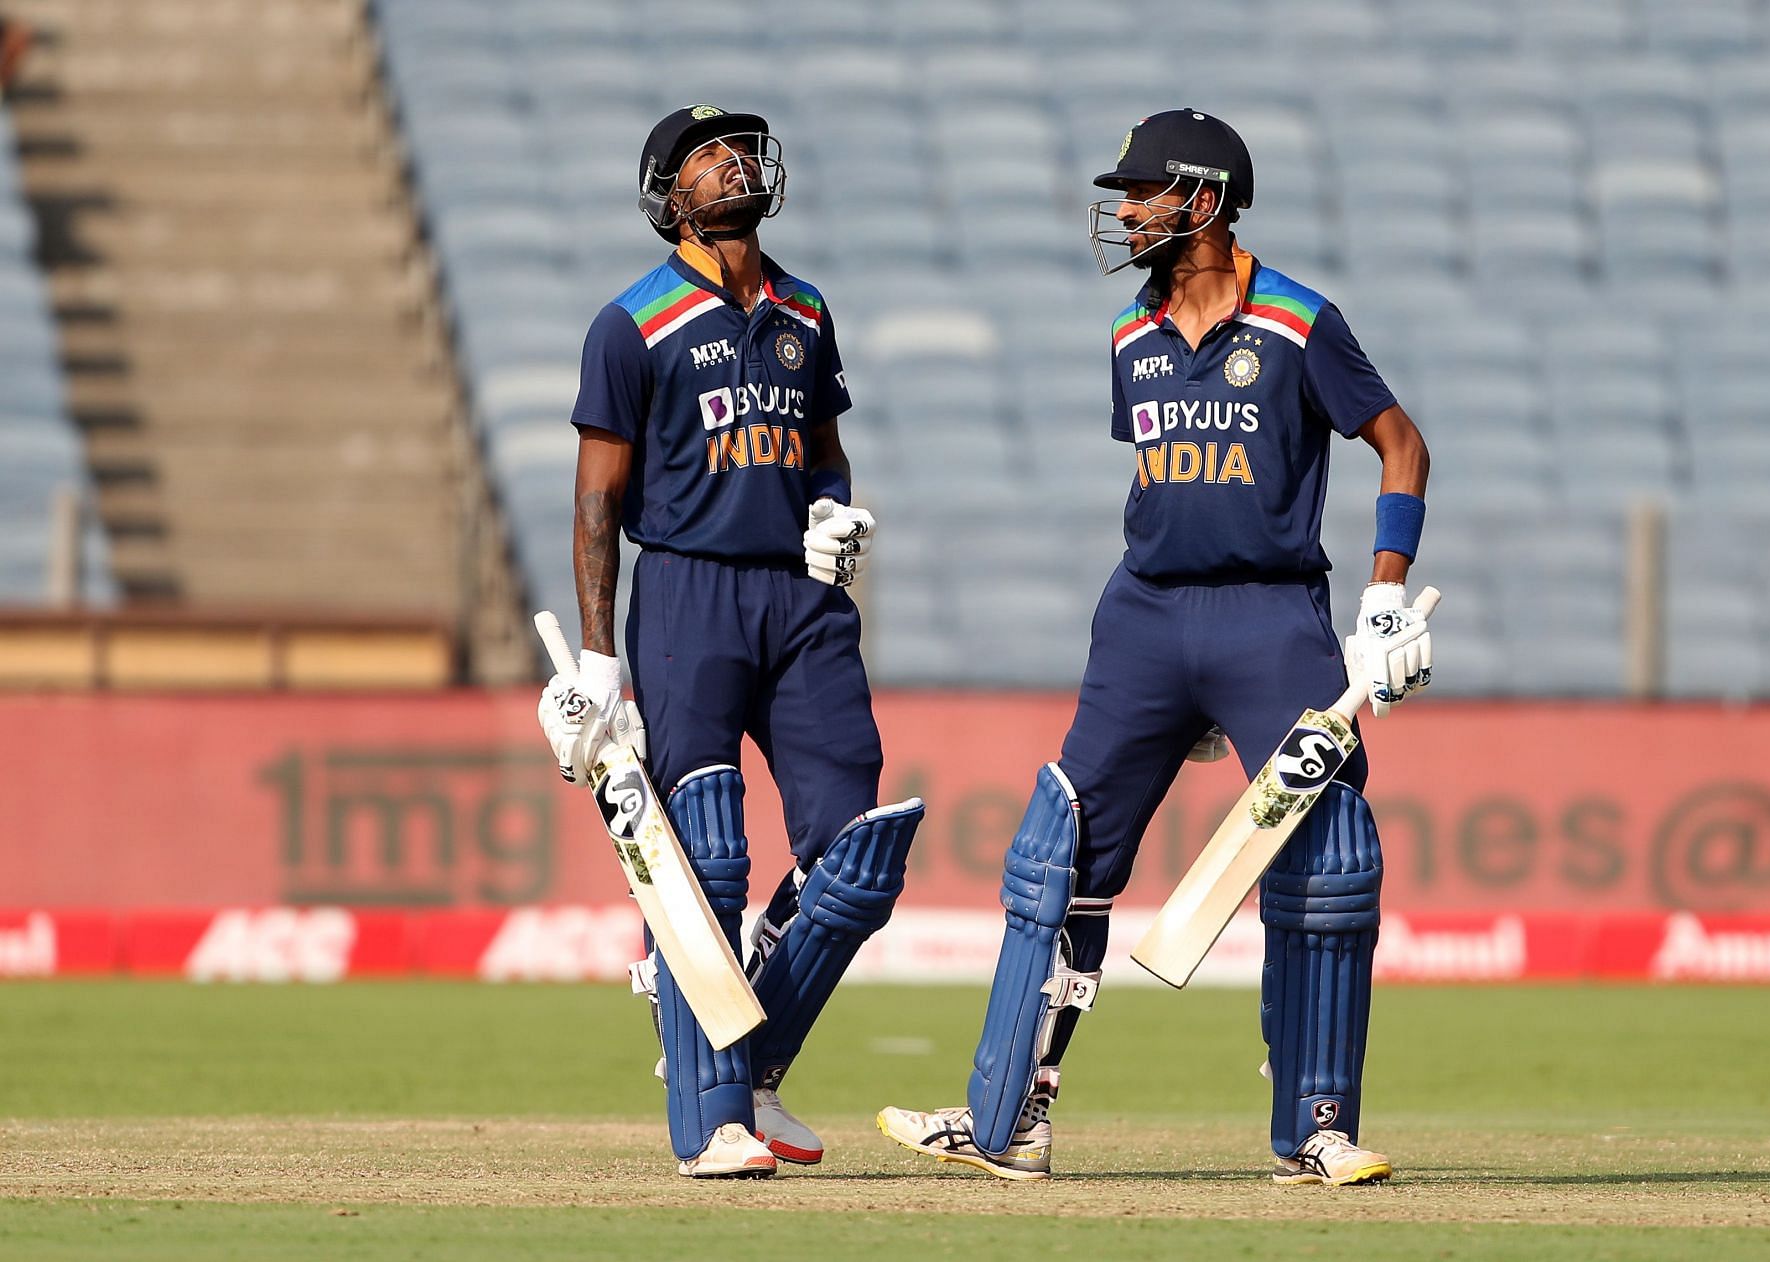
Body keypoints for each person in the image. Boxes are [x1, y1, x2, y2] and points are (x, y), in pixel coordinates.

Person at [877, 109, 1433, 1185]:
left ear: (1205, 202)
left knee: (1329, 855)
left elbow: (1401, 444)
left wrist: (1385, 597)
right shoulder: (1132, 336)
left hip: (1270, 617)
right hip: (1144, 619)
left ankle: (1315, 1127)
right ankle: (1012, 1111)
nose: (1124, 211)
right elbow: (1158, 478)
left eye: (1142, 193)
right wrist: (1178, 690)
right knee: (1063, 852)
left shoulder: (1300, 322)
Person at [537, 105, 922, 1179]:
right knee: (703, 858)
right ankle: (712, 1125)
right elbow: (595, 504)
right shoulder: (632, 323)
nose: (737, 163)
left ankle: (748, 1053)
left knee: (859, 855)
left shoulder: (805, 307)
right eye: (711, 156)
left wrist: (834, 512)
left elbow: (826, 454)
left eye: (744, 149)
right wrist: (600, 655)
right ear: (671, 194)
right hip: (689, 597)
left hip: (801, 605)